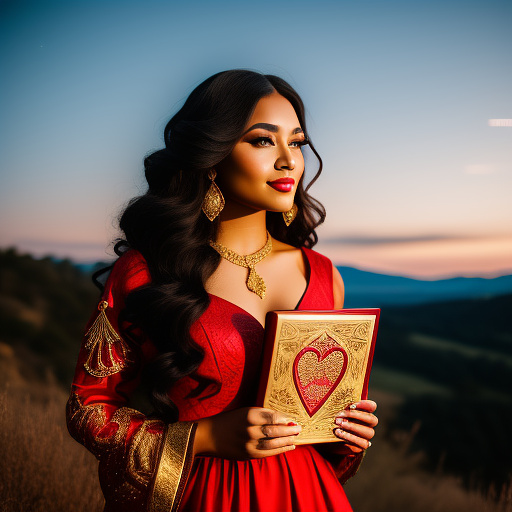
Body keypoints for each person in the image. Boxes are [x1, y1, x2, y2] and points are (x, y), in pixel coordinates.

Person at [66, 69, 378, 512]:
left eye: (298, 141)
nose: (289, 160)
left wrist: (349, 434)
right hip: (201, 493)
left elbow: (319, 424)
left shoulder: (324, 276)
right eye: (264, 140)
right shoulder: (145, 272)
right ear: (212, 154)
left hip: (305, 494)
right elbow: (88, 407)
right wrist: (206, 436)